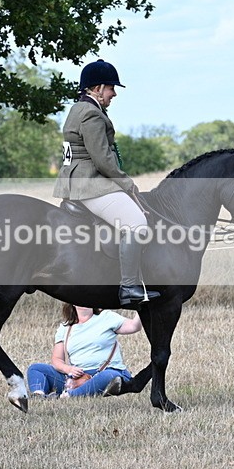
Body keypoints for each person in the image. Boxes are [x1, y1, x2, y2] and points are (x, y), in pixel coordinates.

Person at [53, 59, 160, 308]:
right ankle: (129, 286)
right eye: (112, 88)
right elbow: (102, 159)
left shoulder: (78, 108)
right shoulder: (91, 113)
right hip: (89, 183)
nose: (113, 94)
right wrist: (126, 182)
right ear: (98, 88)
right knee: (136, 224)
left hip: (77, 181)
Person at [26, 303, 141, 398]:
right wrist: (69, 369)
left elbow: (134, 326)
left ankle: (69, 396)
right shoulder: (65, 327)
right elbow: (57, 359)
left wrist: (142, 304)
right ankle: (39, 395)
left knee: (109, 377)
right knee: (36, 369)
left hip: (106, 371)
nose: (83, 301)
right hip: (76, 378)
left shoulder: (106, 317)